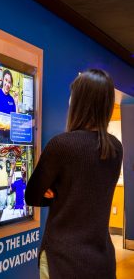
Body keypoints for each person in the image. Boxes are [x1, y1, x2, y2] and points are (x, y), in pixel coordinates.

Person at [25, 69, 123, 279]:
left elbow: (32, 195)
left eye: (73, 95)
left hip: (62, 259)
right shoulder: (115, 148)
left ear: (80, 101)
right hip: (102, 260)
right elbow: (88, 192)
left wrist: (58, 192)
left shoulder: (61, 145)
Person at [0, 69, 18, 144]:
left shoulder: (11, 99)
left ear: (11, 84)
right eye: (6, 80)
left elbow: (15, 118)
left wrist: (16, 102)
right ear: (3, 80)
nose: (7, 84)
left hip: (9, 136)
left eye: (9, 82)